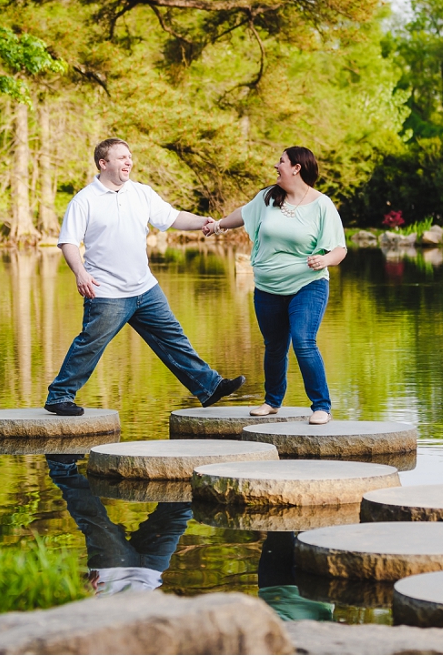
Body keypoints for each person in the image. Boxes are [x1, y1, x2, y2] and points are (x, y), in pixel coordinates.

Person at [44, 138, 245, 416]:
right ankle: (59, 396)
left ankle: (209, 387)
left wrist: (205, 222)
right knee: (90, 343)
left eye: (130, 157)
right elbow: (68, 241)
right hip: (107, 291)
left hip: (144, 288)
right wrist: (81, 273)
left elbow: (172, 218)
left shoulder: (141, 193)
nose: (129, 162)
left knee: (173, 339)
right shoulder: (84, 200)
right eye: (122, 158)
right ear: (103, 164)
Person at [203, 146, 346, 425]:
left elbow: (340, 249)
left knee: (304, 342)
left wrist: (325, 259)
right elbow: (243, 213)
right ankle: (272, 402)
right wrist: (218, 225)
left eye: (281, 161)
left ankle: (321, 406)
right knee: (275, 346)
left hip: (308, 284)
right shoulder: (268, 197)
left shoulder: (321, 205)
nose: (276, 166)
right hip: (268, 287)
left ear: (296, 168)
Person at [45, 454, 192, 596]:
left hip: (110, 574)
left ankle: (62, 468)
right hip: (151, 573)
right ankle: (189, 460)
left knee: (95, 521)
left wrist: (81, 594)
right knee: (179, 511)